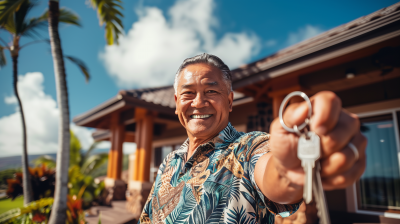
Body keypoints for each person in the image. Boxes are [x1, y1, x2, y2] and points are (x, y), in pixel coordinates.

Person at [138, 53, 366, 224]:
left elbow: (272, 171)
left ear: (229, 101)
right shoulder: (169, 162)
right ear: (177, 103)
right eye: (188, 93)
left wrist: (289, 170)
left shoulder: (247, 148)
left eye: (211, 91)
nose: (198, 102)